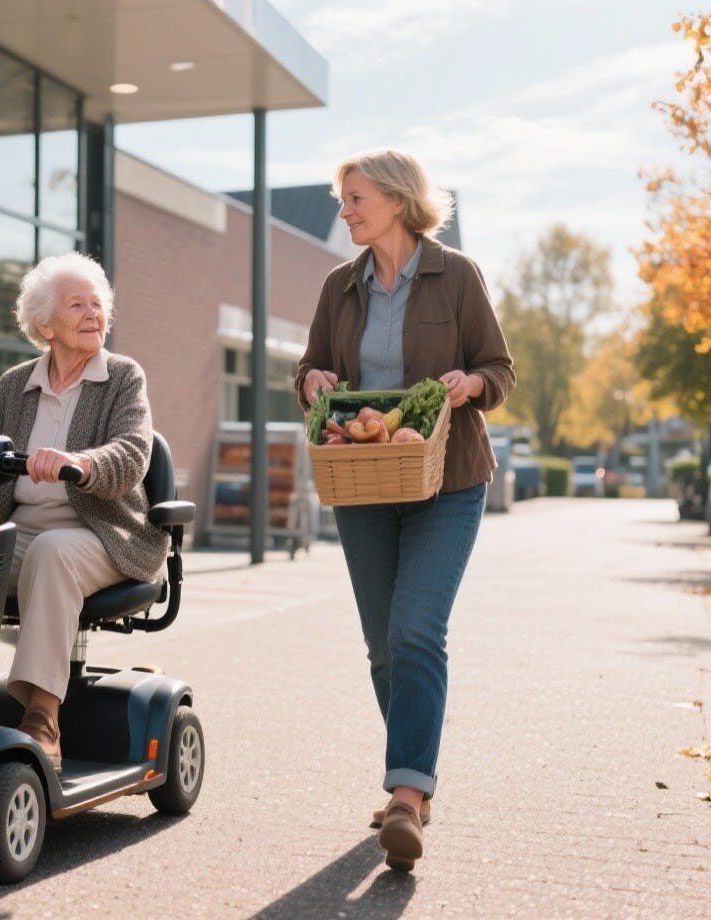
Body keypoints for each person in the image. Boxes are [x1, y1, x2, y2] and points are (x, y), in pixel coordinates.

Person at [296, 147, 515, 871]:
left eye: (354, 198)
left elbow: (499, 370)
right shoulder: (339, 286)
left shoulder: (457, 275)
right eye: (343, 200)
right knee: (385, 646)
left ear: (394, 199)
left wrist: (469, 385)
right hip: (365, 481)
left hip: (448, 479)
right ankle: (413, 777)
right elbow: (309, 370)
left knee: (418, 627)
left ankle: (406, 795)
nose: (345, 211)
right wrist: (316, 380)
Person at [0, 252, 165, 770]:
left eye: (98, 304)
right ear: (45, 324)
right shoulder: (18, 383)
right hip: (22, 529)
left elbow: (133, 452)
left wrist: (80, 464)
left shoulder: (124, 377)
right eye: (77, 304)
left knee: (50, 551)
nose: (94, 314)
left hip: (104, 532)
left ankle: (43, 716)